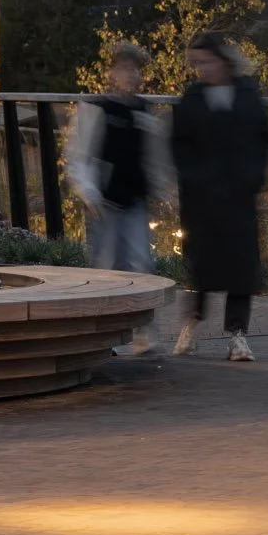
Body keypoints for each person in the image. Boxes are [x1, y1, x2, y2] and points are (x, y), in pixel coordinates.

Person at [169, 31, 268, 363]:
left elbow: (261, 141)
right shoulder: (192, 98)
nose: (202, 69)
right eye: (197, 63)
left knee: (241, 267)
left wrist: (253, 179)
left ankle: (238, 334)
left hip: (239, 196)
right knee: (201, 266)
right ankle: (191, 326)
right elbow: (180, 146)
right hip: (201, 198)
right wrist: (195, 179)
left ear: (223, 59)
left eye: (207, 61)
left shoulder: (247, 95)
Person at [66, 43, 170, 354]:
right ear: (112, 73)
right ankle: (105, 335)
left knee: (141, 264)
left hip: (134, 199)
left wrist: (162, 189)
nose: (130, 75)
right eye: (124, 68)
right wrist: (88, 192)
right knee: (106, 267)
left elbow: (154, 156)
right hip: (105, 202)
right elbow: (78, 154)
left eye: (134, 69)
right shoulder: (96, 109)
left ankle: (143, 332)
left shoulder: (144, 111)